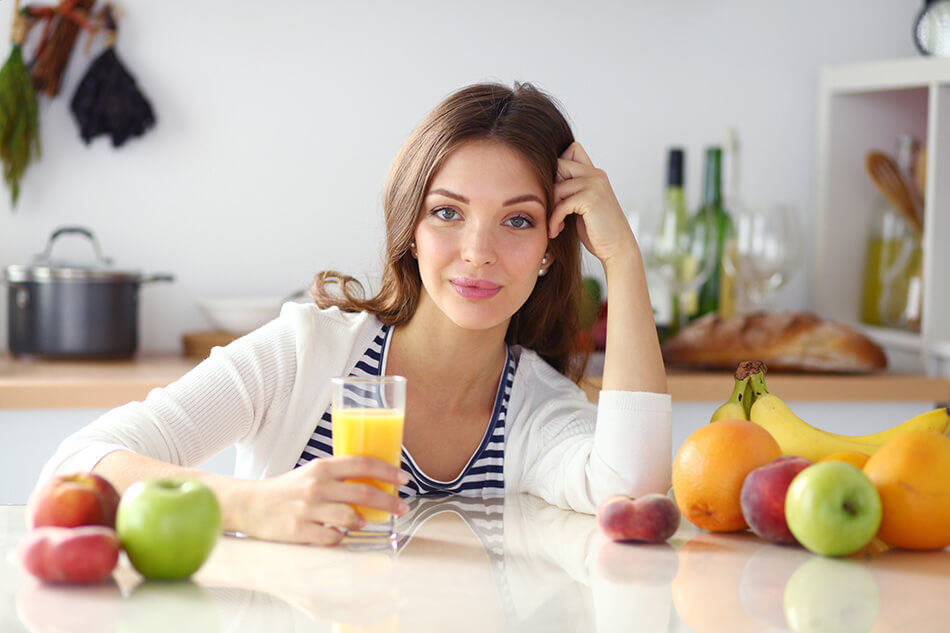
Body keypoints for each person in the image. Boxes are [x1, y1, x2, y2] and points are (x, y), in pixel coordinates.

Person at [35, 82, 671, 546]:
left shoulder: (535, 408)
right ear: (410, 230)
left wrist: (623, 258)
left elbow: (632, 492)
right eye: (446, 213)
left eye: (517, 220)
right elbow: (75, 465)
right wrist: (252, 505)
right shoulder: (304, 352)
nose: (478, 253)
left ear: (547, 252)